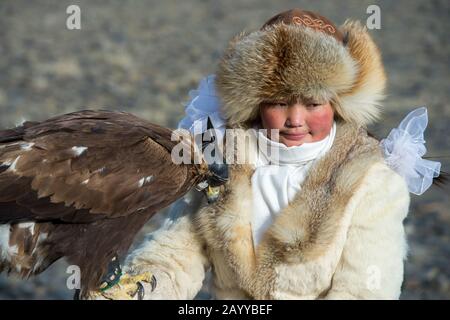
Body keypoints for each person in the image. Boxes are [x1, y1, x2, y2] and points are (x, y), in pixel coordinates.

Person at [93, 8, 441, 300]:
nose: (295, 119)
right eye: (278, 102)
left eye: (313, 103)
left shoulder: (370, 179)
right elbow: (177, 253)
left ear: (337, 104)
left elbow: (365, 289)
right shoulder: (217, 162)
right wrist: (143, 288)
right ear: (255, 103)